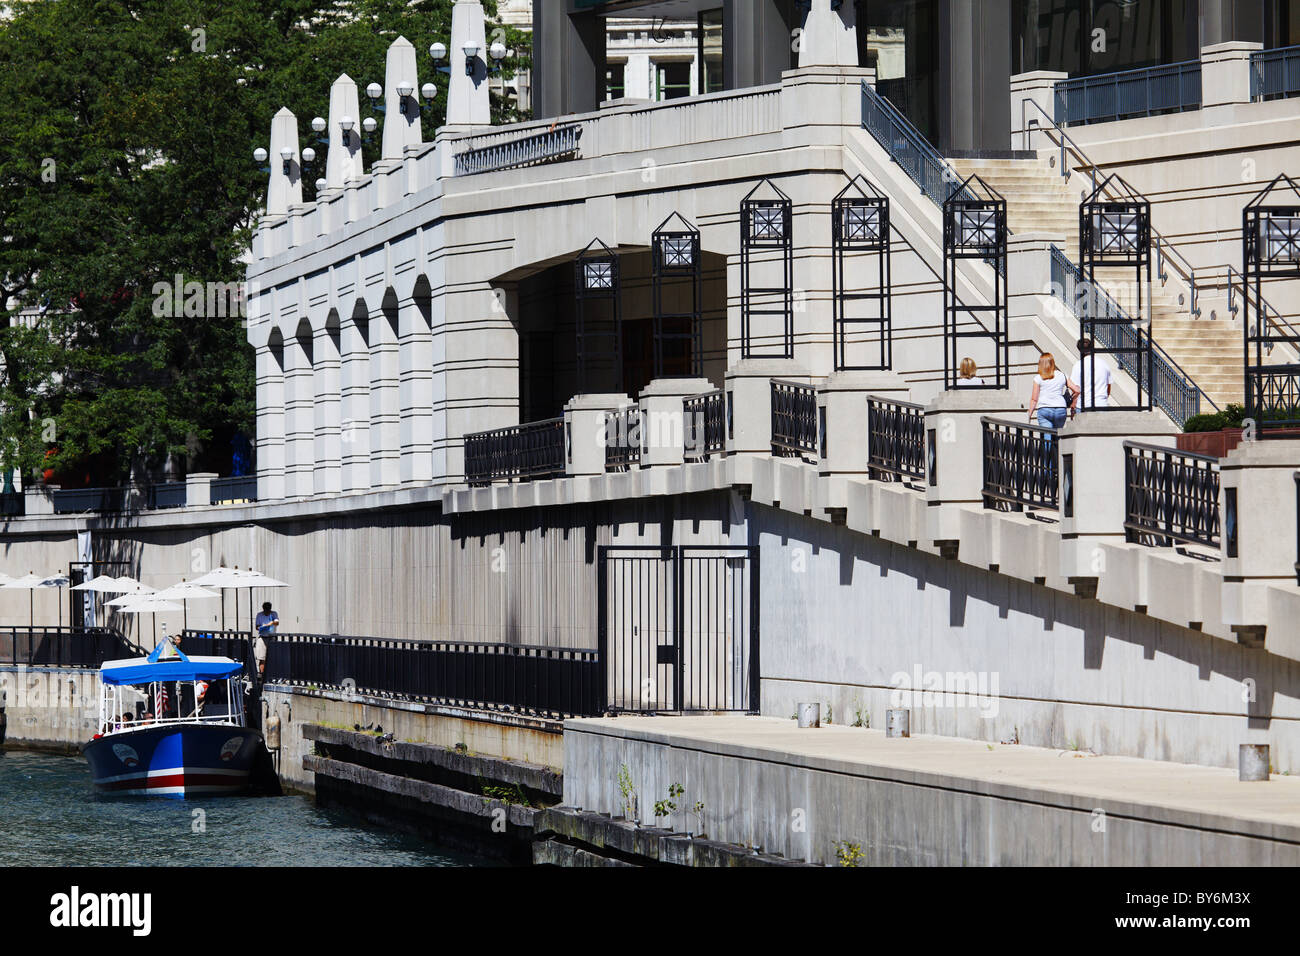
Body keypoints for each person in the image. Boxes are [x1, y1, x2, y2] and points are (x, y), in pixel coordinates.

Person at [1068, 337, 1112, 413]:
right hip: (1101, 404)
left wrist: (1074, 402)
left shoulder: (1078, 365)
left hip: (1084, 404)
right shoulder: (1104, 364)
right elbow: (1108, 387)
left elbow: (1076, 388)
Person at [1027, 353, 1069, 431]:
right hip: (1061, 409)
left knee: (1047, 438)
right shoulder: (1062, 375)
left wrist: (1030, 413)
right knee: (1058, 436)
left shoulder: (1038, 378)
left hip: (1044, 408)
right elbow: (1076, 390)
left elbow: (1034, 399)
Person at [254, 602, 279, 680]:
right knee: (262, 658)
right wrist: (261, 627)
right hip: (262, 637)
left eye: (268, 610)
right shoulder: (259, 615)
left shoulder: (274, 614)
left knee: (272, 657)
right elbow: (257, 626)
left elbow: (277, 622)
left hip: (271, 638)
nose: (267, 611)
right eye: (265, 610)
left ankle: (271, 674)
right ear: (263, 609)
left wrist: (270, 623)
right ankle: (262, 674)